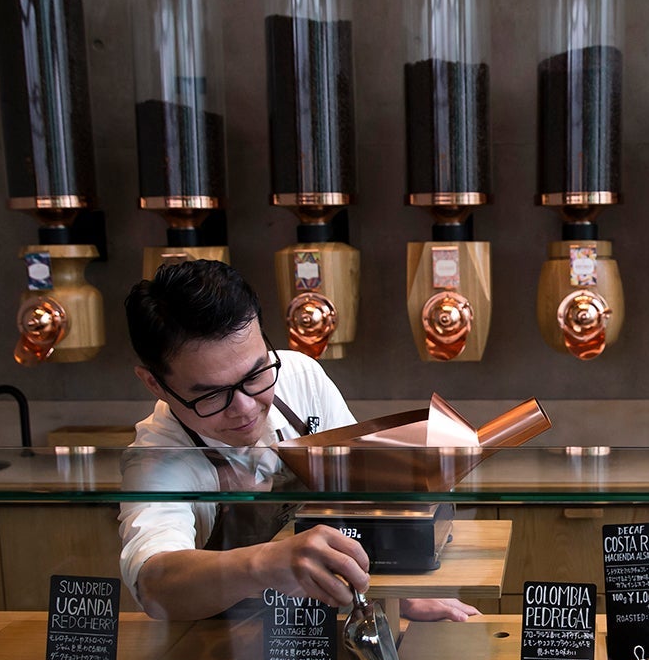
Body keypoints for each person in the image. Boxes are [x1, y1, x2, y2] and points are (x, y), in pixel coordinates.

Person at [118, 258, 480, 624]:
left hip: (318, 631)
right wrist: (262, 563)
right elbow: (154, 583)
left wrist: (399, 596)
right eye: (211, 395)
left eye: (256, 373)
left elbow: (360, 492)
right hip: (219, 645)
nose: (244, 407)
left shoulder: (299, 376)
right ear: (154, 384)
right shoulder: (159, 457)